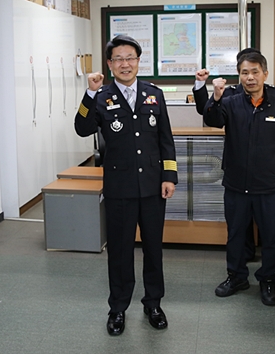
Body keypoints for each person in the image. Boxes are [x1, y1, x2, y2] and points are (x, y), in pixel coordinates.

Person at [74, 35, 177, 336]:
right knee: (119, 252)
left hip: (152, 187)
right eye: (118, 59)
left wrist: (169, 176)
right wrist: (89, 93)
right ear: (109, 64)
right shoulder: (101, 96)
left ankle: (153, 304)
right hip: (119, 188)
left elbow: (166, 140)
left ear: (138, 61)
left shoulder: (154, 95)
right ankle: (118, 308)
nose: (125, 64)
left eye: (130, 57)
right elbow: (82, 128)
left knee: (154, 250)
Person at [203, 52, 275, 306]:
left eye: (255, 72)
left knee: (270, 235)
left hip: (268, 184)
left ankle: (268, 278)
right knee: (235, 234)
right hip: (236, 183)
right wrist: (216, 96)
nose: (250, 77)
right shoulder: (231, 103)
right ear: (239, 76)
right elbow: (212, 120)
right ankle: (236, 277)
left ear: (265, 74)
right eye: (245, 73)